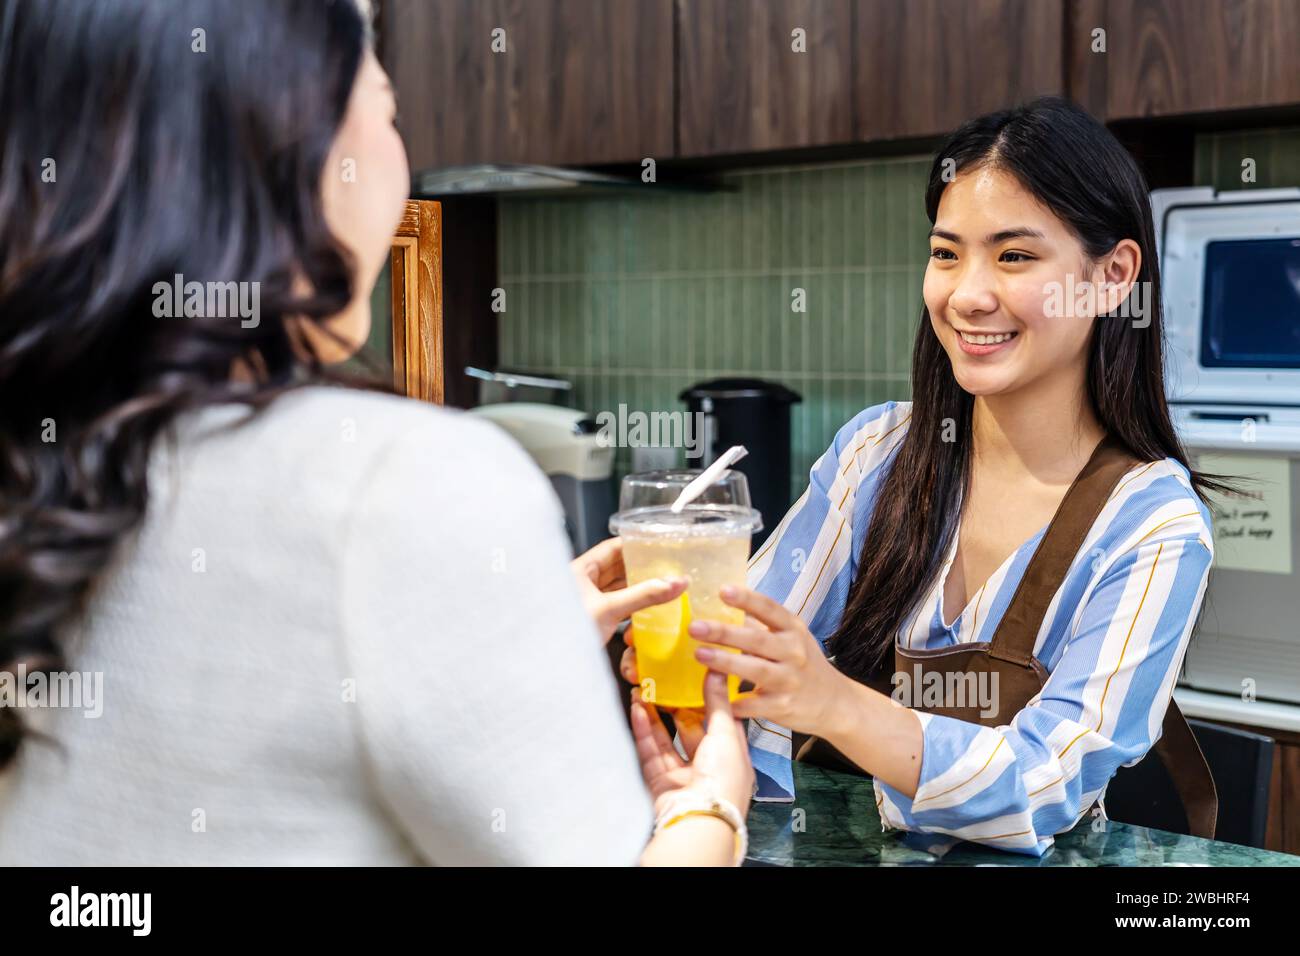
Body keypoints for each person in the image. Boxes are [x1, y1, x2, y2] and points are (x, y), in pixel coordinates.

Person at [0, 0, 751, 866]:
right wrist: (708, 812)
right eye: (388, 109)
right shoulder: (400, 483)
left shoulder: (42, 448)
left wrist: (497, 650)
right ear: (301, 148)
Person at [622, 97, 1231, 857]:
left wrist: (833, 703)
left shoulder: (1152, 522)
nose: (967, 294)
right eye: (946, 254)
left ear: (1112, 275)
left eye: (1013, 256)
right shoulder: (875, 453)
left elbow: (1046, 776)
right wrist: (702, 663)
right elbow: (756, 660)